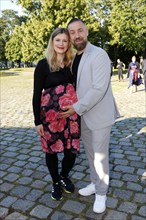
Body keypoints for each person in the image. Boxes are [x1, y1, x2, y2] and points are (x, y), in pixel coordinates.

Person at [60, 18, 120, 213]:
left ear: (86, 32)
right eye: (72, 32)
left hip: (99, 115)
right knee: (91, 154)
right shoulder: (74, 56)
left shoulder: (99, 54)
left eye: (80, 30)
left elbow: (98, 89)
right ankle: (95, 183)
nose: (77, 35)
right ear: (69, 36)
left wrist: (75, 108)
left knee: (100, 156)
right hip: (82, 115)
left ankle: (101, 193)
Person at [32, 27, 80, 201]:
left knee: (71, 151)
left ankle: (64, 176)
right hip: (50, 118)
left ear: (69, 44)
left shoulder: (72, 64)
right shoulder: (43, 64)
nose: (61, 44)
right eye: (58, 40)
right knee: (51, 151)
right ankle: (55, 181)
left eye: (65, 40)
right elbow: (37, 94)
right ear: (52, 42)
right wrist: (37, 121)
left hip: (72, 116)